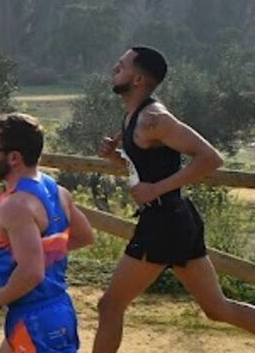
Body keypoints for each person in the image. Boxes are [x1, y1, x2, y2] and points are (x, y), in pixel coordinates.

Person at [91, 46, 255, 351]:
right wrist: (116, 156)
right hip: (176, 219)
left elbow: (210, 158)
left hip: (163, 222)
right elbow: (147, 168)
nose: (114, 69)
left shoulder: (154, 118)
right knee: (217, 309)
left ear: (138, 79)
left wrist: (156, 190)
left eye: (121, 65)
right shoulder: (132, 116)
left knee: (109, 306)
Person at [0, 113, 95, 352]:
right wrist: (41, 251)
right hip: (59, 309)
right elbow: (85, 236)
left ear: (14, 157)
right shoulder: (57, 191)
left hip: (34, 319)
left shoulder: (16, 205)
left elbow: (31, 273)